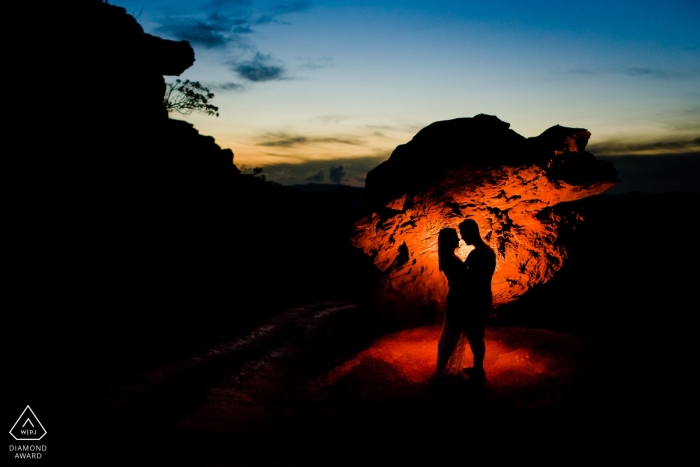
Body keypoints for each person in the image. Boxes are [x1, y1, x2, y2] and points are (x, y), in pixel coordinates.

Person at [458, 219, 496, 380]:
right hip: (485, 296)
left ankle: (479, 370)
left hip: (477, 299)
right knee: (478, 333)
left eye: (464, 234)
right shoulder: (489, 250)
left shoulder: (477, 253)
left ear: (471, 232)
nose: (462, 238)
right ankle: (478, 367)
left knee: (475, 334)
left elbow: (470, 279)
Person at [435, 228, 469, 378]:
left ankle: (442, 368)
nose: (459, 240)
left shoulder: (449, 257)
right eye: (455, 237)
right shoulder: (449, 258)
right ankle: (441, 370)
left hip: (456, 297)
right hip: (457, 298)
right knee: (452, 333)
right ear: (449, 240)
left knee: (451, 332)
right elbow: (461, 279)